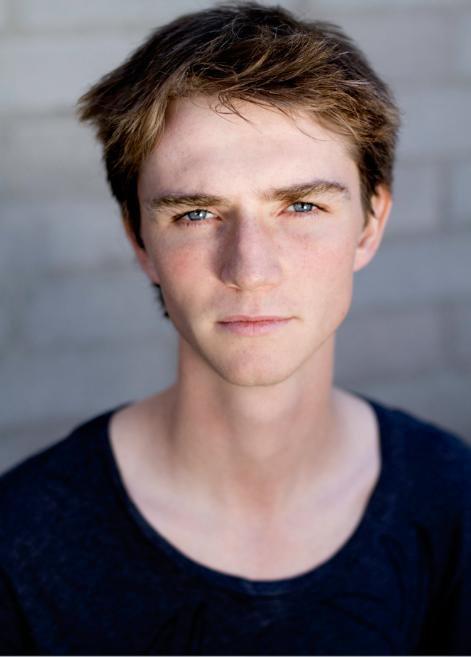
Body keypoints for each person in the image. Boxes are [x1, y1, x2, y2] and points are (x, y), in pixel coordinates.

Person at [0, 3, 470, 655]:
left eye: (301, 205)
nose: (250, 269)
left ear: (369, 224)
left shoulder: (454, 501)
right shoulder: (19, 540)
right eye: (195, 214)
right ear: (139, 240)